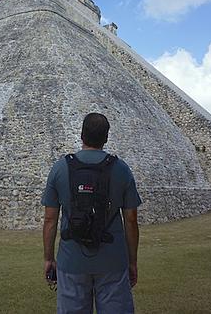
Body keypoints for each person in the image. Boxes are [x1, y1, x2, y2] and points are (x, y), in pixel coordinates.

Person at [42, 112, 142, 314]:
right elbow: (130, 220)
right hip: (113, 260)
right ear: (106, 137)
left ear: (82, 135)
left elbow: (50, 219)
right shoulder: (121, 169)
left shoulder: (60, 168)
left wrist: (49, 258)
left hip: (71, 260)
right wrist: (132, 262)